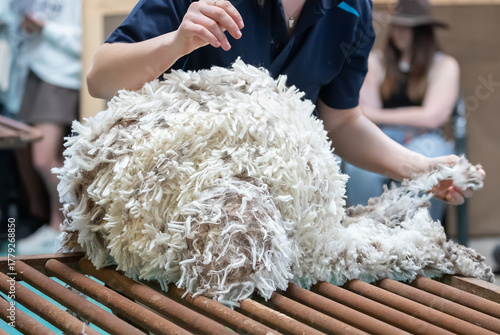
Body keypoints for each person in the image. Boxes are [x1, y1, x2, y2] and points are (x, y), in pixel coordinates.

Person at [87, 0, 481, 213]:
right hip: (179, 198)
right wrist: (175, 43)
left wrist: (419, 168)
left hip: (281, 206)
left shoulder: (353, 11)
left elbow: (342, 121)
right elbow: (100, 78)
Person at [343, 0, 458, 222]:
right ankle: (371, 234)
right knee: (359, 172)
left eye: (407, 27)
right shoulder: (377, 61)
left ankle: (416, 235)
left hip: (425, 138)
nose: (398, 32)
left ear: (422, 31)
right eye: (396, 25)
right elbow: (363, 112)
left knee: (428, 166)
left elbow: (433, 116)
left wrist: (378, 116)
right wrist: (413, 117)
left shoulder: (444, 65)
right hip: (380, 136)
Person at [15, 0, 81, 255]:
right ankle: (56, 225)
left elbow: (86, 40)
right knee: (32, 154)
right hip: (36, 71)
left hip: (61, 78)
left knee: (44, 160)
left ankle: (65, 227)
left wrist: (45, 28)